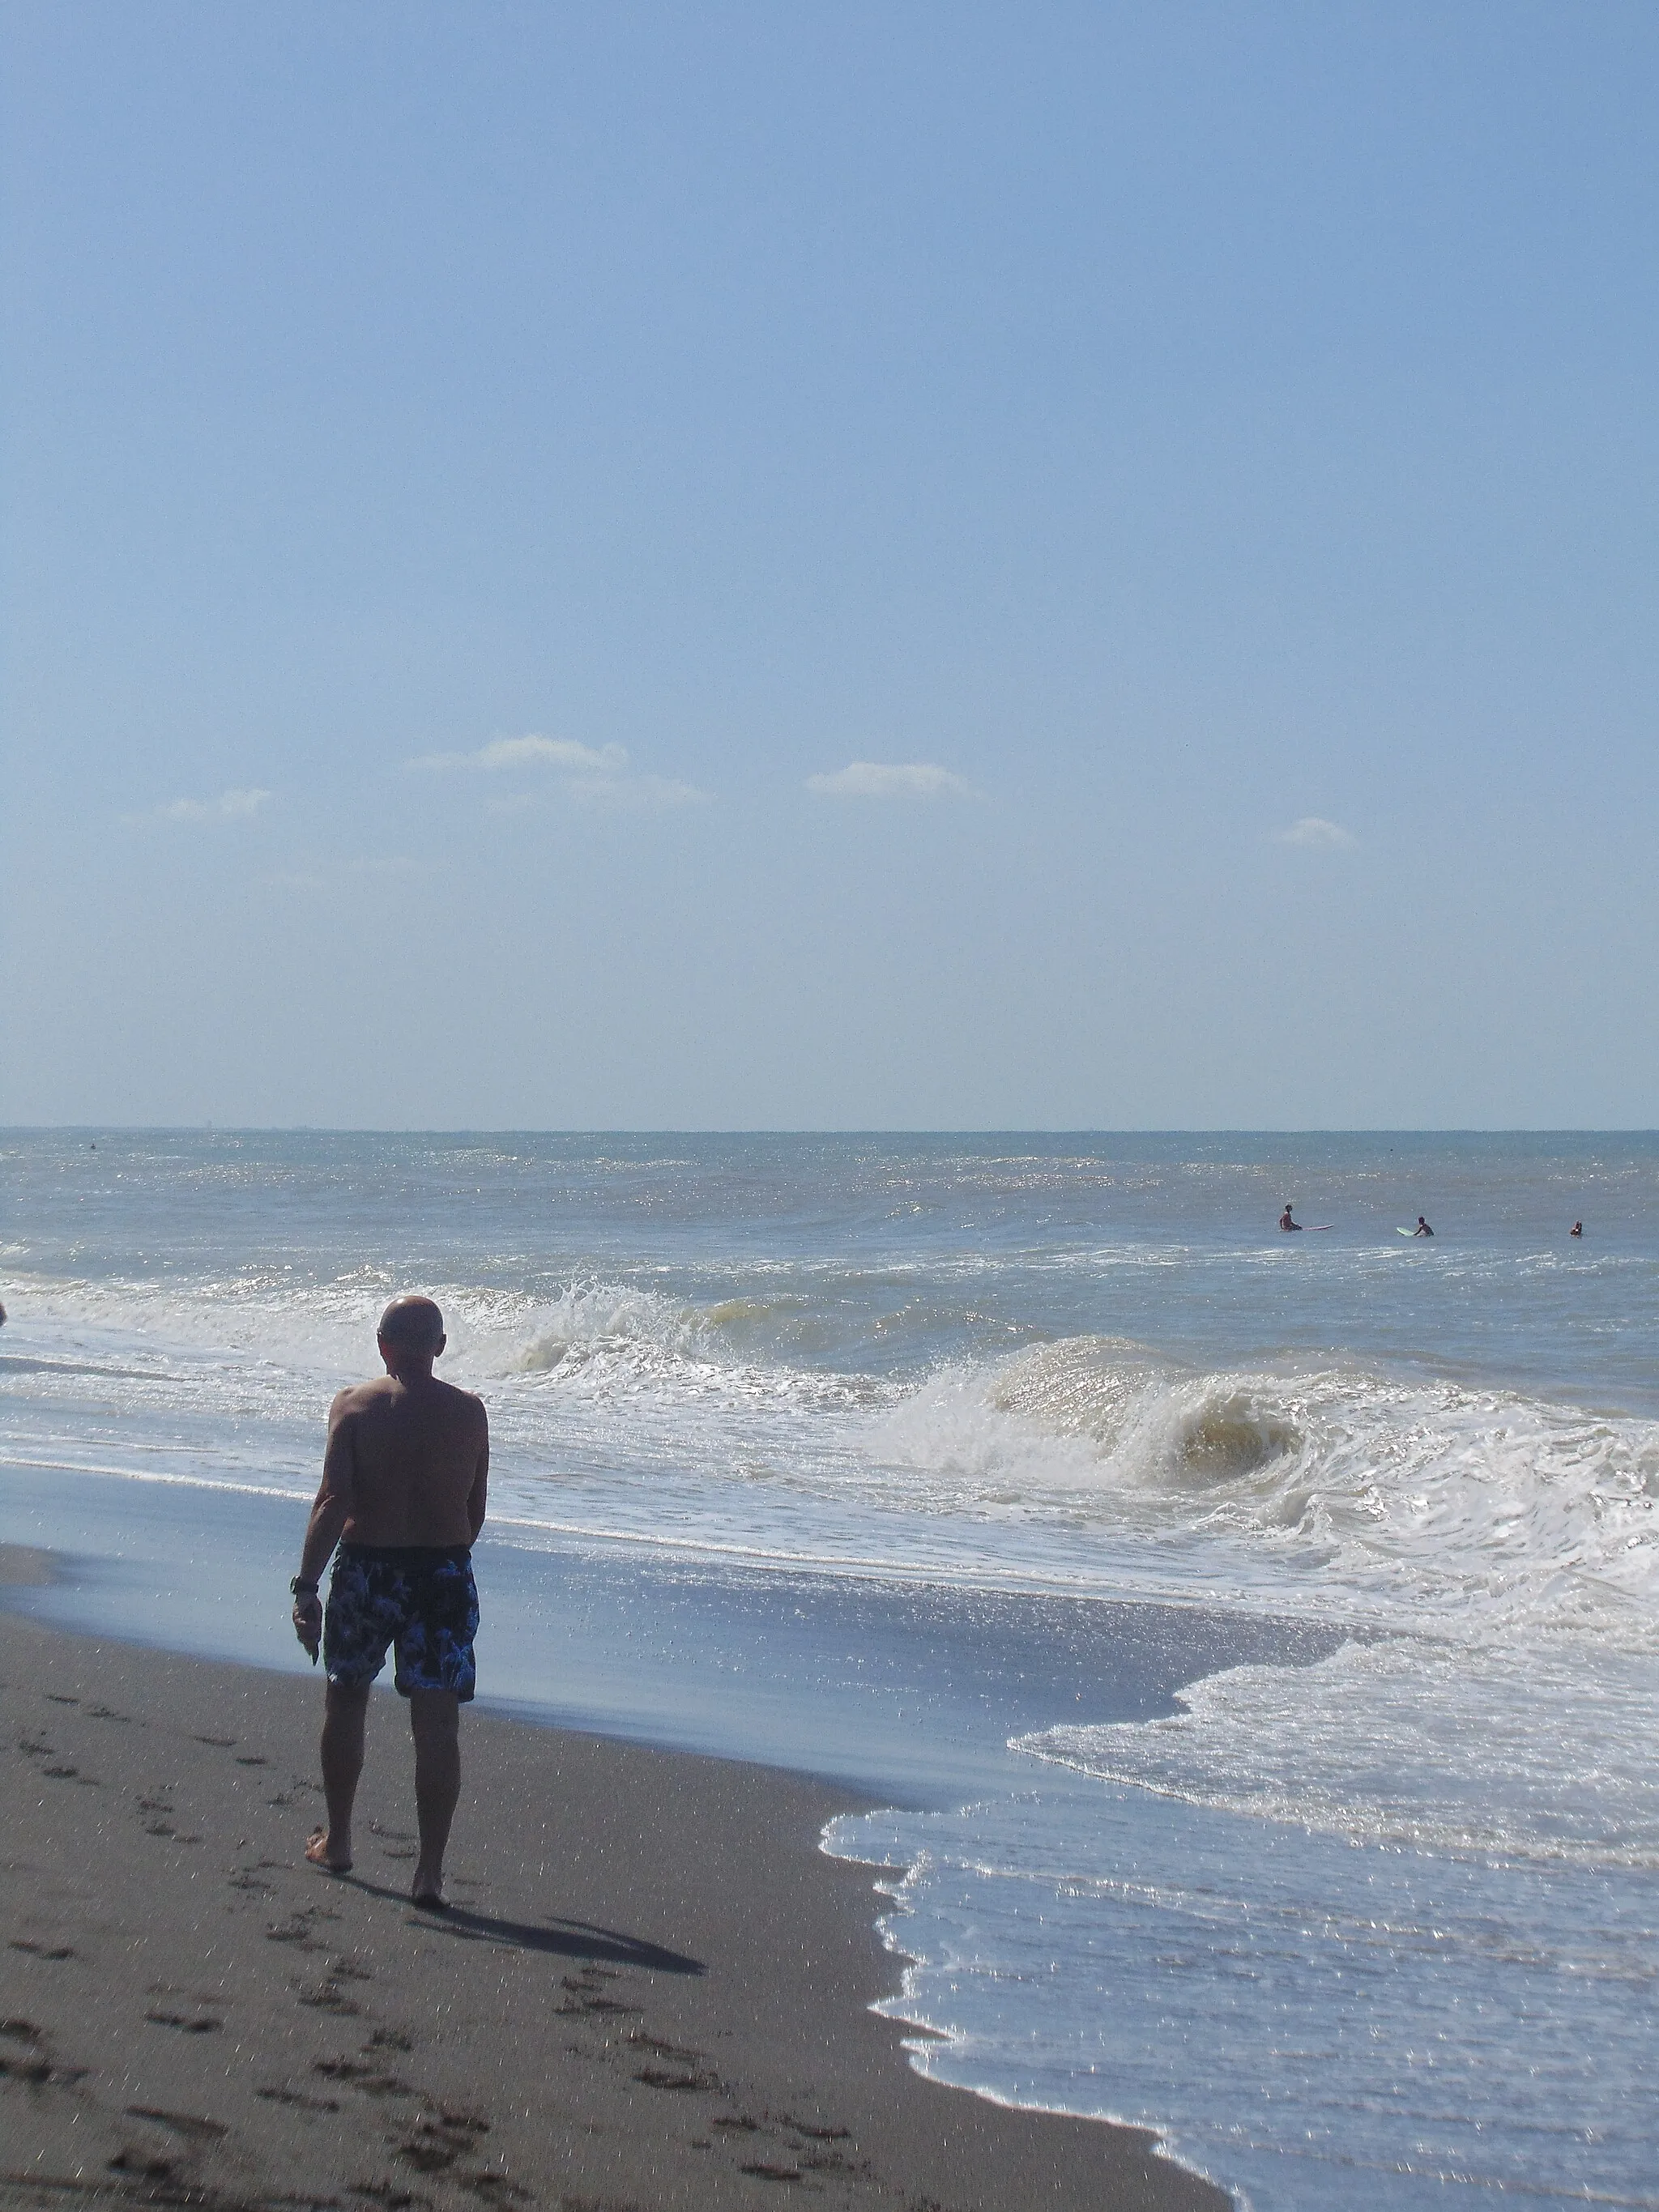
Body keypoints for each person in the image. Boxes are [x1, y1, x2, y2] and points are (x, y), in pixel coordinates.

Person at [290, 1296, 488, 1907]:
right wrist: (440, 1556)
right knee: (437, 1720)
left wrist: (306, 1585)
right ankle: (428, 1874)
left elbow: (332, 1500)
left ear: (381, 1344)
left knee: (347, 1694)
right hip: (442, 1572)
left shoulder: (355, 1406)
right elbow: (473, 1512)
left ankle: (341, 1840)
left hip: (370, 1569)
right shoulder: (469, 1413)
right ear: (440, 1345)